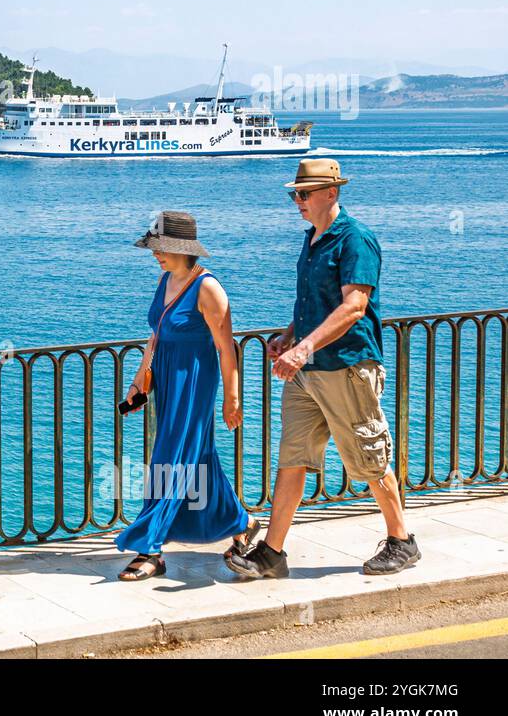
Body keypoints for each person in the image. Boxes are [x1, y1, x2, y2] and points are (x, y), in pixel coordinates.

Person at [227, 158, 418, 579]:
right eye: (295, 194)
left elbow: (354, 306)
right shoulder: (313, 240)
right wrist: (289, 336)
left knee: (368, 456)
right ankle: (272, 553)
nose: (297, 201)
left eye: (304, 193)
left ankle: (402, 541)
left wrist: (303, 348)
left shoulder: (355, 240)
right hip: (307, 370)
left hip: (346, 367)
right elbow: (318, 303)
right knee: (293, 458)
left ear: (331, 192)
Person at [116, 211, 259, 580]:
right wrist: (138, 385)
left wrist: (232, 398)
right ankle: (241, 522)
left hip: (195, 381)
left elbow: (226, 349)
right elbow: (156, 337)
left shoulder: (208, 287)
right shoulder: (165, 279)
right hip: (167, 377)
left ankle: (150, 548)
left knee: (170, 457)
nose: (154, 254)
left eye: (160, 248)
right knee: (197, 458)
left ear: (182, 249)